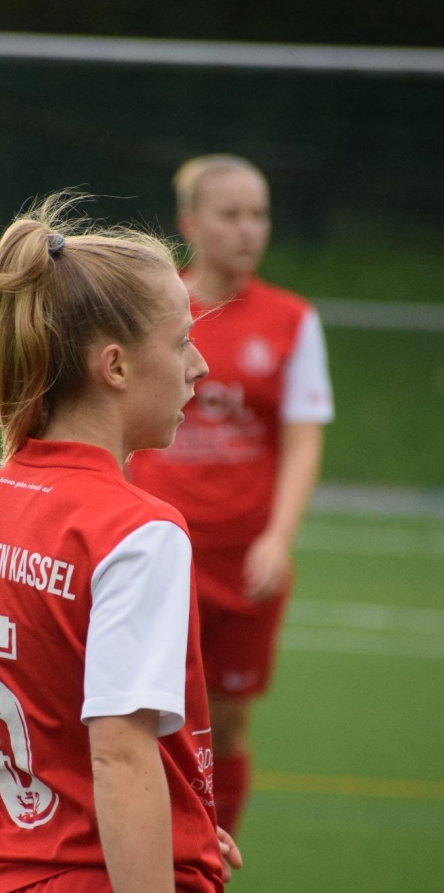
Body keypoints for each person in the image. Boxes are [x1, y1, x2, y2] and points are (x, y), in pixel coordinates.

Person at [0, 194, 251, 893]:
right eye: (181, 342)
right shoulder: (137, 529)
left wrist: (174, 818)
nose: (198, 367)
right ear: (113, 365)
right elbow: (118, 753)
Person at [129, 155, 334, 836]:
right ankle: (138, 862)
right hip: (158, 552)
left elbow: (302, 440)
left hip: (244, 563)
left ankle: (208, 868)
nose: (248, 229)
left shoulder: (291, 320)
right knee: (139, 715)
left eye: (259, 214)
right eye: (230, 214)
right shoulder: (152, 309)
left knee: (227, 720)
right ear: (190, 223)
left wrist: (277, 538)